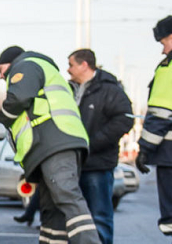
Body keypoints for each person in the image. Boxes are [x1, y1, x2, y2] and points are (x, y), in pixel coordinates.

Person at [0, 46, 100, 244]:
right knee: (52, 209)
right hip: (55, 143)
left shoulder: (25, 65)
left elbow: (18, 98)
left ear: (10, 62)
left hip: (55, 143)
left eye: (1, 69)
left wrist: (0, 119)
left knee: (66, 195)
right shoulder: (41, 69)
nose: (1, 76)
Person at [66, 48, 133, 244]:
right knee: (76, 216)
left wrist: (93, 143)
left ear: (84, 65)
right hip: (73, 164)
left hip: (98, 164)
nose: (68, 70)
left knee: (99, 215)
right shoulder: (69, 89)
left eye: (71, 64)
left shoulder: (110, 90)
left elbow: (124, 120)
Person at [136, 15, 172, 236]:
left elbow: (161, 114)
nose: (163, 50)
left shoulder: (169, 67)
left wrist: (145, 149)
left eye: (164, 43)